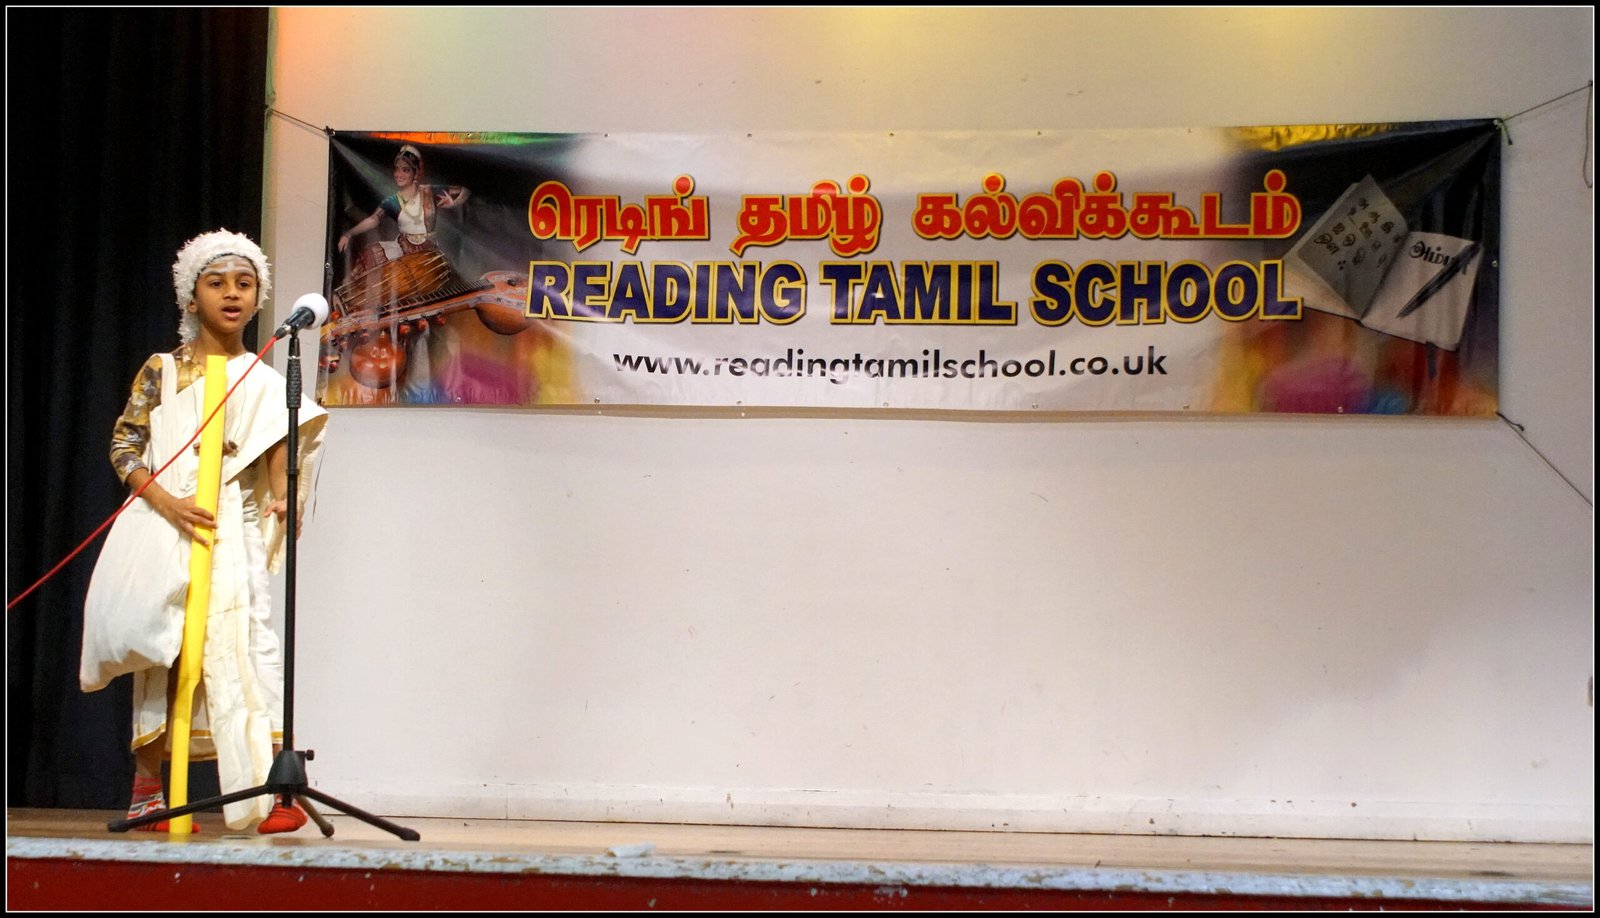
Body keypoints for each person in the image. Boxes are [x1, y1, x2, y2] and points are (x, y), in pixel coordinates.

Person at [79, 229, 329, 834]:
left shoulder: (265, 380)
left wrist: (286, 498)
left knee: (246, 648)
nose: (232, 294)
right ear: (192, 298)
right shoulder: (162, 370)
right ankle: (148, 791)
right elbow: (125, 446)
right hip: (165, 522)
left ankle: (271, 793)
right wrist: (170, 502)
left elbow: (279, 447)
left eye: (244, 284)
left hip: (231, 529)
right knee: (166, 653)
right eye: (217, 283)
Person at [337, 143, 469, 271]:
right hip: (404, 252)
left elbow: (464, 191)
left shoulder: (429, 192)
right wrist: (349, 234)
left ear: (415, 173)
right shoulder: (393, 202)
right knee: (370, 257)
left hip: (429, 255)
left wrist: (453, 203)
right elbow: (373, 220)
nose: (399, 174)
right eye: (396, 169)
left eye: (405, 170)